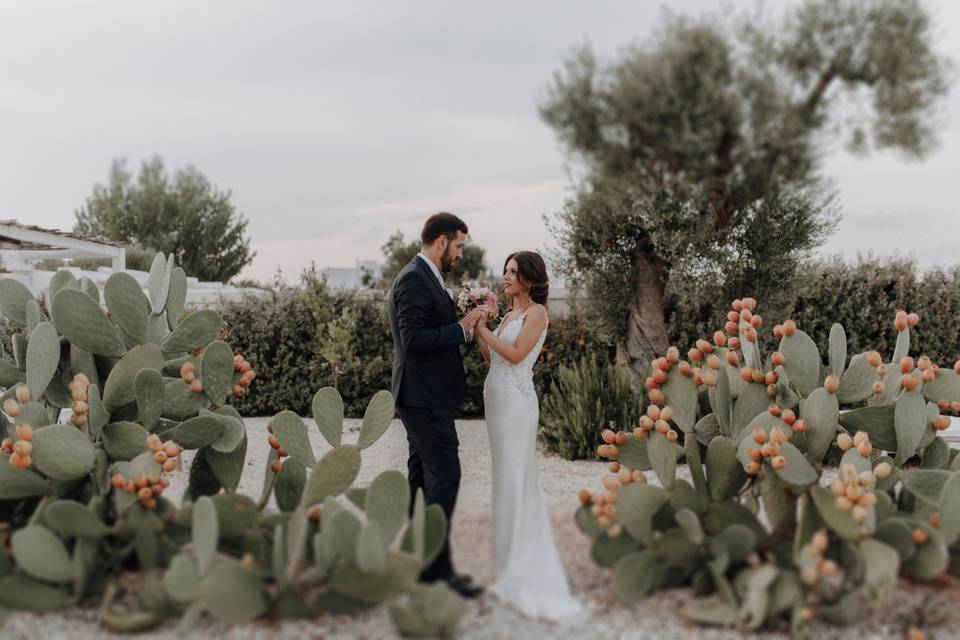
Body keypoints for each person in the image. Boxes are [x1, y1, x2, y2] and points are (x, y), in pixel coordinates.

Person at [474, 251, 583, 620]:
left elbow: (518, 355)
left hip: (518, 406)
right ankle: (507, 566)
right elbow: (494, 359)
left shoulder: (536, 313)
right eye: (505, 271)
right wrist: (479, 327)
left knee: (517, 479)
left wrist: (485, 330)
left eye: (512, 272)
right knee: (503, 481)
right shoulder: (507, 315)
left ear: (529, 279)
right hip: (497, 399)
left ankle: (525, 570)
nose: (505, 277)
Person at [387, 212, 485, 598]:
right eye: (459, 245)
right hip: (422, 398)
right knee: (446, 477)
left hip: (423, 396)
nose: (460, 253)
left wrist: (465, 324)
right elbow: (412, 339)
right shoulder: (413, 278)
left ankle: (421, 566)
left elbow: (430, 331)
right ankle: (437, 572)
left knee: (423, 484)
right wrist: (461, 329)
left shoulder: (424, 275)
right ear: (442, 242)